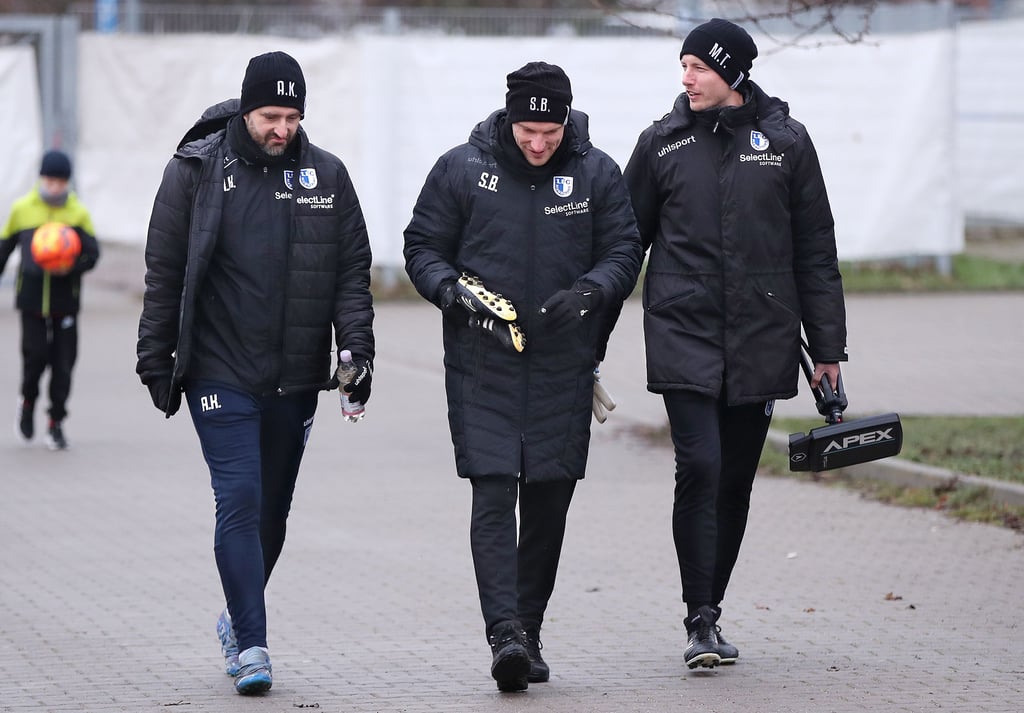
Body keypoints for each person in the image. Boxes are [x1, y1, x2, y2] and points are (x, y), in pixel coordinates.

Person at [135, 51, 374, 695]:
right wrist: (156, 356)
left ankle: (234, 618)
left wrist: (357, 352)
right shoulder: (196, 172)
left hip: (294, 376)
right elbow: (166, 272)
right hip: (219, 369)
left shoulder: (328, 176)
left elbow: (351, 273)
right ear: (246, 110)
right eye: (271, 115)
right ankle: (253, 643)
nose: (283, 128)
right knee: (238, 499)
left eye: (294, 117)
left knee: (273, 512)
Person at [403, 61, 643, 692]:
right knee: (492, 489)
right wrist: (452, 293)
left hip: (563, 362)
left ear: (567, 120)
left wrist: (589, 295)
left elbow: (624, 249)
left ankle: (530, 629)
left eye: (550, 131)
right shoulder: (461, 168)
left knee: (548, 498)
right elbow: (422, 246)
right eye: (527, 130)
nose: (538, 144)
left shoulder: (597, 172)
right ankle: (504, 632)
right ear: (508, 118)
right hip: (483, 360)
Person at [623, 19, 848, 670]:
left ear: (734, 74)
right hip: (682, 330)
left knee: (735, 481)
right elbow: (622, 247)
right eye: (683, 65)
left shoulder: (785, 143)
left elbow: (816, 252)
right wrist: (586, 334)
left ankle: (712, 609)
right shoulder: (661, 145)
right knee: (699, 464)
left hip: (762, 336)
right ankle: (698, 618)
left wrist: (827, 349)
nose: (686, 77)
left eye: (699, 66)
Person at [1, 149, 101, 450]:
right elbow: (4, 250)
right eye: (50, 180)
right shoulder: (22, 210)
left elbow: (93, 255)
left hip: (64, 302)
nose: (55, 186)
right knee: (35, 358)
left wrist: (71, 266)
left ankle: (56, 422)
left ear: (67, 182)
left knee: (63, 364)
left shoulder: (77, 213)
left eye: (60, 181)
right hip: (31, 301)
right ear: (41, 179)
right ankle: (27, 401)